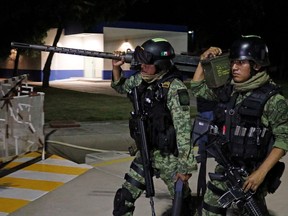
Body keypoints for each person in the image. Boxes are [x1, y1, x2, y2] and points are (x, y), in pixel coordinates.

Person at [190, 35, 288, 215]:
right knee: (208, 210)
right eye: (233, 62)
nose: (234, 67)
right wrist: (202, 61)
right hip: (226, 169)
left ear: (256, 65)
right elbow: (196, 87)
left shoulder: (273, 100)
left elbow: (283, 140)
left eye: (241, 62)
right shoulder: (230, 90)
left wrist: (260, 174)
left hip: (251, 176)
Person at [111, 38, 197, 216]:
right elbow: (120, 87)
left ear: (160, 64)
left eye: (146, 63)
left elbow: (183, 130)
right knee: (123, 199)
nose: (142, 66)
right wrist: (116, 68)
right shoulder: (140, 80)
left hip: (169, 158)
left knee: (182, 207)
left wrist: (184, 167)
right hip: (146, 151)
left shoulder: (174, 89)